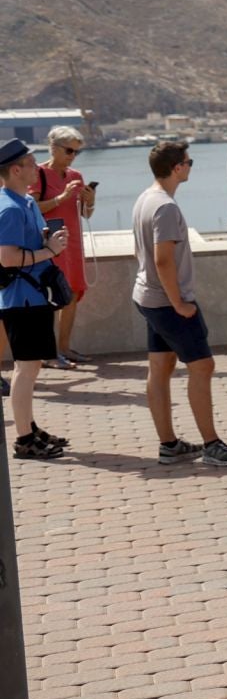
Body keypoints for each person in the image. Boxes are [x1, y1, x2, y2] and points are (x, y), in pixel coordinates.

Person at [130, 142, 227, 467]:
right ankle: (211, 444)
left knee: (161, 365)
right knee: (202, 366)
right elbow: (163, 259)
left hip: (147, 297)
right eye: (189, 162)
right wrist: (178, 302)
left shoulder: (144, 198)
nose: (191, 166)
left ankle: (169, 445)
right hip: (166, 302)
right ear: (177, 168)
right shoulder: (165, 207)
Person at [0, 138, 70, 461]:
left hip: (36, 295)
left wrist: (49, 240)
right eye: (30, 163)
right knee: (25, 369)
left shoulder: (26, 203)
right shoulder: (9, 209)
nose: (36, 168)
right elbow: (7, 258)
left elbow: (33, 242)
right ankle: (24, 439)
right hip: (21, 300)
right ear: (15, 170)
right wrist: (49, 251)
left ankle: (30, 426)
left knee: (33, 366)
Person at [35, 126, 93, 368]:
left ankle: (64, 347)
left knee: (72, 293)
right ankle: (48, 354)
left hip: (72, 244)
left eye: (76, 152)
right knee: (50, 297)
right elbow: (34, 208)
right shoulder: (38, 174)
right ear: (54, 148)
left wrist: (90, 201)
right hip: (50, 244)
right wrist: (61, 198)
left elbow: (84, 214)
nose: (72, 156)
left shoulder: (75, 175)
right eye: (69, 150)